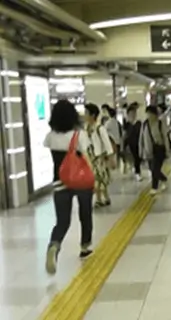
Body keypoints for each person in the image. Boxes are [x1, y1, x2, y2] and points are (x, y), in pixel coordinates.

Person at [43, 100, 93, 274]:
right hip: (80, 180)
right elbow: (85, 157)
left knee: (62, 221)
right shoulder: (79, 135)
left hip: (60, 181)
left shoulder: (51, 136)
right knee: (85, 213)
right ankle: (85, 246)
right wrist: (92, 174)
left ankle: (54, 245)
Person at [84, 103, 115, 207]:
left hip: (100, 158)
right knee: (98, 179)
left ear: (92, 115)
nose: (85, 115)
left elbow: (107, 143)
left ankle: (99, 199)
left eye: (86, 113)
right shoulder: (86, 128)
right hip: (91, 158)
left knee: (100, 179)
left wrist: (111, 158)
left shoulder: (100, 128)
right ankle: (104, 198)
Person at [139, 105, 170, 195]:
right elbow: (141, 138)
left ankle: (154, 187)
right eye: (147, 113)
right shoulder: (144, 124)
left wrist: (167, 151)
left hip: (159, 149)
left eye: (150, 113)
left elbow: (165, 137)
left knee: (155, 168)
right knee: (151, 168)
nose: (148, 115)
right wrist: (141, 150)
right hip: (149, 150)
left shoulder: (160, 123)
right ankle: (163, 179)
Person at [124, 103, 143, 181]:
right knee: (134, 159)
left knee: (138, 158)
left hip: (138, 144)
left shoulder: (139, 123)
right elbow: (124, 135)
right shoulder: (127, 124)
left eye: (134, 113)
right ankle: (137, 172)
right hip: (130, 145)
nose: (133, 114)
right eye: (131, 113)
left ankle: (137, 171)